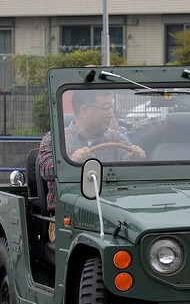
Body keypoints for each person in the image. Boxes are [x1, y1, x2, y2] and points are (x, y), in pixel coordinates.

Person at [39, 90, 145, 240]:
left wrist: (136, 158)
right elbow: (45, 170)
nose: (111, 113)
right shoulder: (55, 139)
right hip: (68, 218)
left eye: (111, 106)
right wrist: (71, 161)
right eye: (106, 107)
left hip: (114, 214)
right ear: (84, 110)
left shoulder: (116, 137)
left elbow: (127, 162)